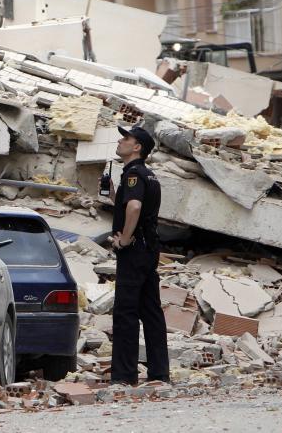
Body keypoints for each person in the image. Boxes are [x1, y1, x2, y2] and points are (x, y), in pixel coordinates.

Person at [107, 125, 168, 385]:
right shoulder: (149, 175)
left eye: (126, 138)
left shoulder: (133, 174)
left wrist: (124, 239)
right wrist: (113, 194)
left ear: (137, 147)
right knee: (151, 312)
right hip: (149, 249)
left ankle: (124, 375)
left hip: (134, 251)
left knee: (126, 312)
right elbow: (134, 206)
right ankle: (159, 373)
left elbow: (134, 207)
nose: (120, 141)